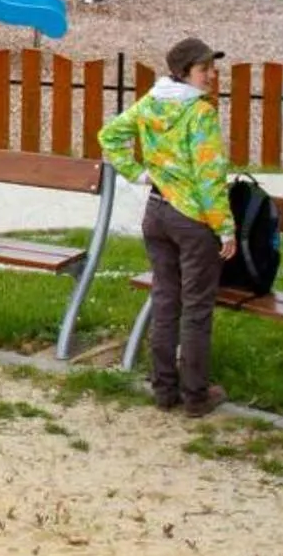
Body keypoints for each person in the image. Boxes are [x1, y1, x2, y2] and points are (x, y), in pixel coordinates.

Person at [97, 37, 235, 417]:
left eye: (212, 67)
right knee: (196, 308)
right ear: (184, 72)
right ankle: (195, 395)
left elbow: (110, 135)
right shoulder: (200, 113)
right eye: (203, 69)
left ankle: (163, 389)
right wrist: (225, 228)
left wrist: (137, 173)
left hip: (156, 212)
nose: (211, 75)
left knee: (165, 301)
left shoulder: (153, 101)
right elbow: (209, 175)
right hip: (192, 220)